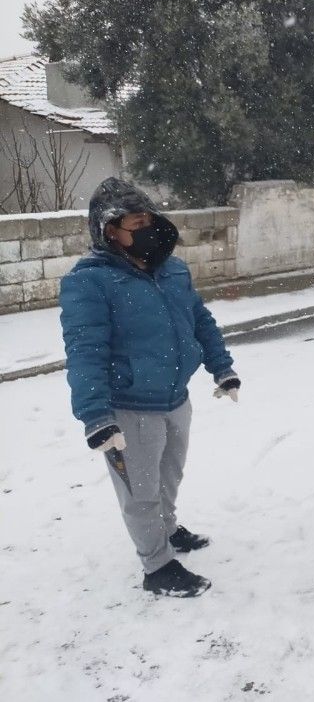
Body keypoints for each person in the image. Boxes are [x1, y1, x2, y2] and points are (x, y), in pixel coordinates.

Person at [60, 178, 240, 598]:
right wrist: (96, 416)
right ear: (110, 231)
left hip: (176, 398)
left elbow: (200, 321)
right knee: (139, 492)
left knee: (168, 476)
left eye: (149, 220)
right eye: (135, 224)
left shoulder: (172, 270)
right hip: (130, 408)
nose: (147, 230)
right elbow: (85, 350)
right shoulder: (90, 282)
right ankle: (156, 566)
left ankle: (168, 529)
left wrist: (222, 367)